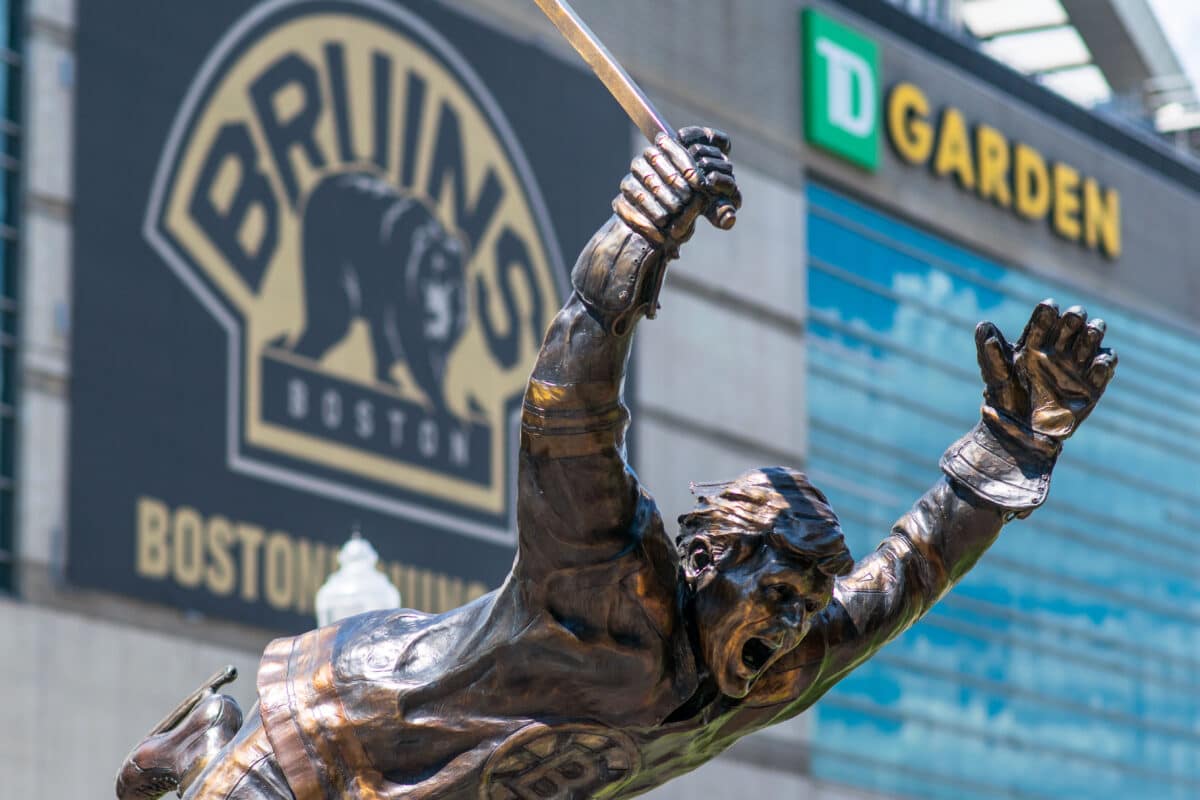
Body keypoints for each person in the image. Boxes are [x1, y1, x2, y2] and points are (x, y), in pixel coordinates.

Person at [117, 127, 1116, 800]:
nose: (797, 620)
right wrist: (638, 235)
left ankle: (201, 737)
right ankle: (212, 743)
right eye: (780, 590)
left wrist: (1009, 449)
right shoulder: (600, 575)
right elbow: (571, 406)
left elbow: (913, 566)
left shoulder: (783, 664)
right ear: (713, 561)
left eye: (810, 602)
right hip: (341, 734)